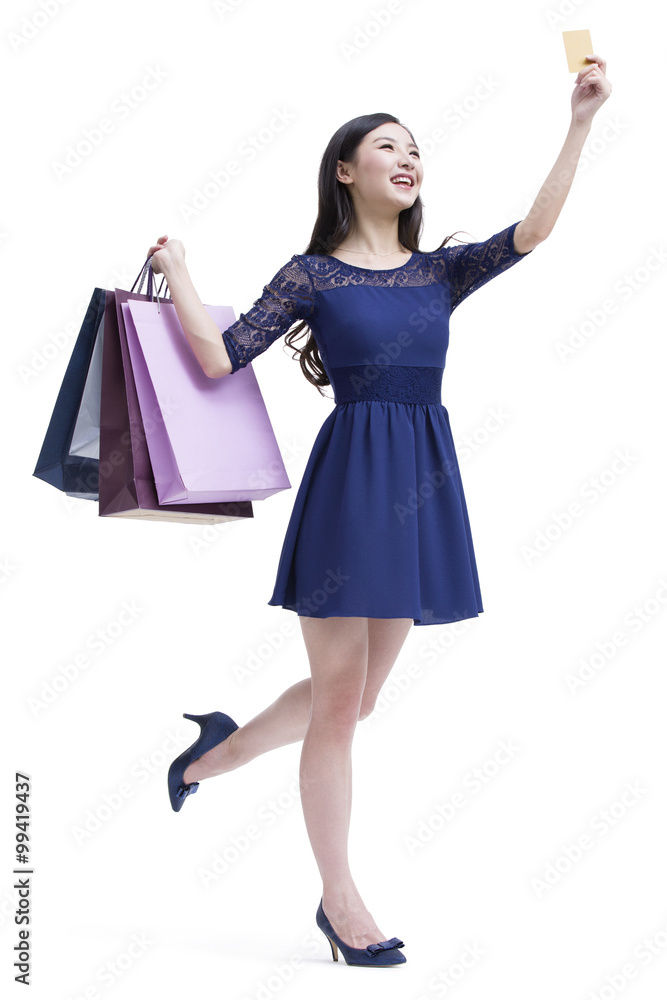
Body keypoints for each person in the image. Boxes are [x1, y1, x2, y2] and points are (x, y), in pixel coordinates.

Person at [150, 56, 610, 967]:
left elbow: (535, 232)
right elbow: (218, 361)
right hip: (349, 483)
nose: (407, 159)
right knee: (334, 710)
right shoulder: (310, 274)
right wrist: (180, 270)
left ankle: (211, 754)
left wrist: (579, 123)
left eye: (414, 149)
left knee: (353, 700)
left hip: (422, 484)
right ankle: (341, 902)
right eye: (385, 147)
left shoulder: (440, 271)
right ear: (344, 171)